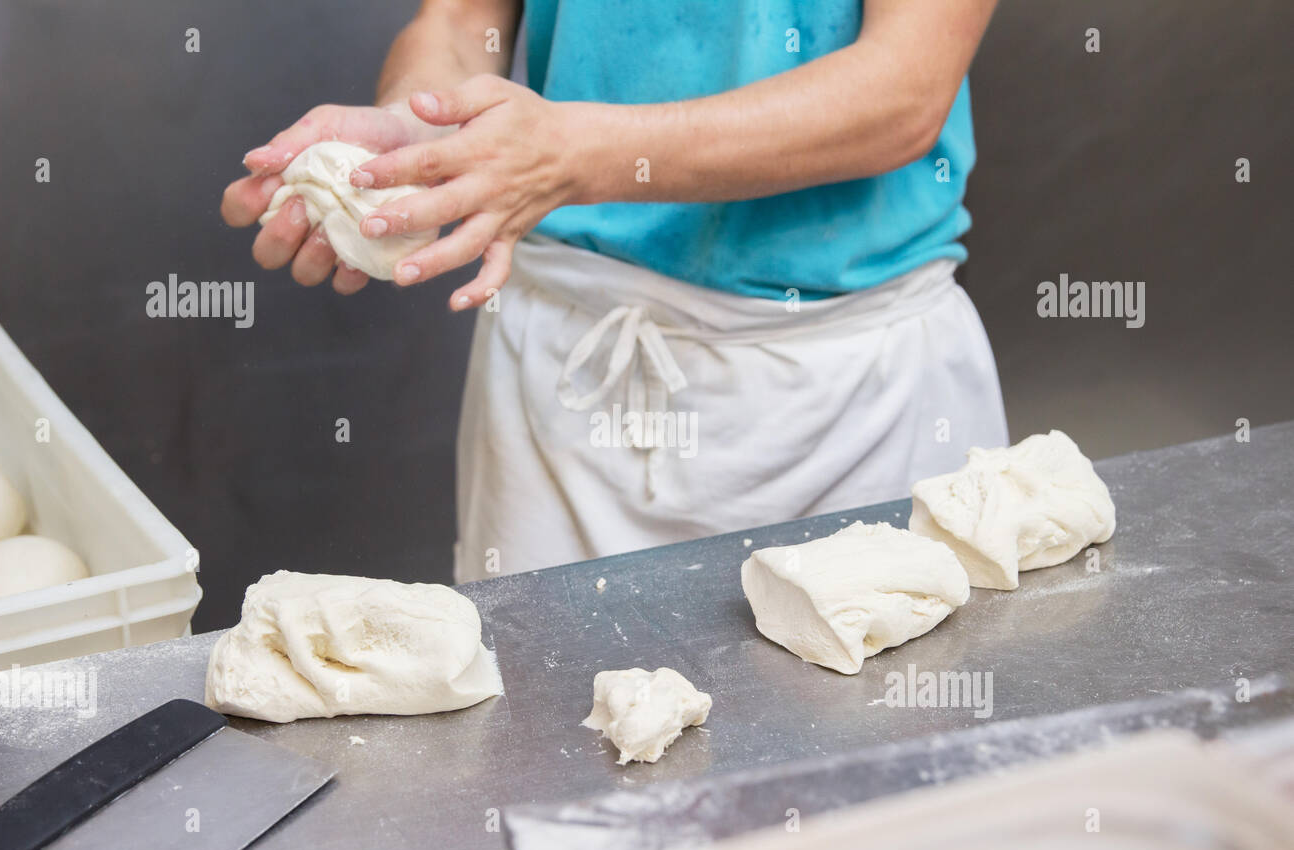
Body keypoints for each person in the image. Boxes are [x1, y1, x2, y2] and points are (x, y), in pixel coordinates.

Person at [221, 0, 1008, 583]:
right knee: (543, 762)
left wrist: (579, 156)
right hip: (567, 383)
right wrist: (424, 129)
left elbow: (903, 90)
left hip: (854, 392)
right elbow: (463, 24)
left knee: (869, 786)